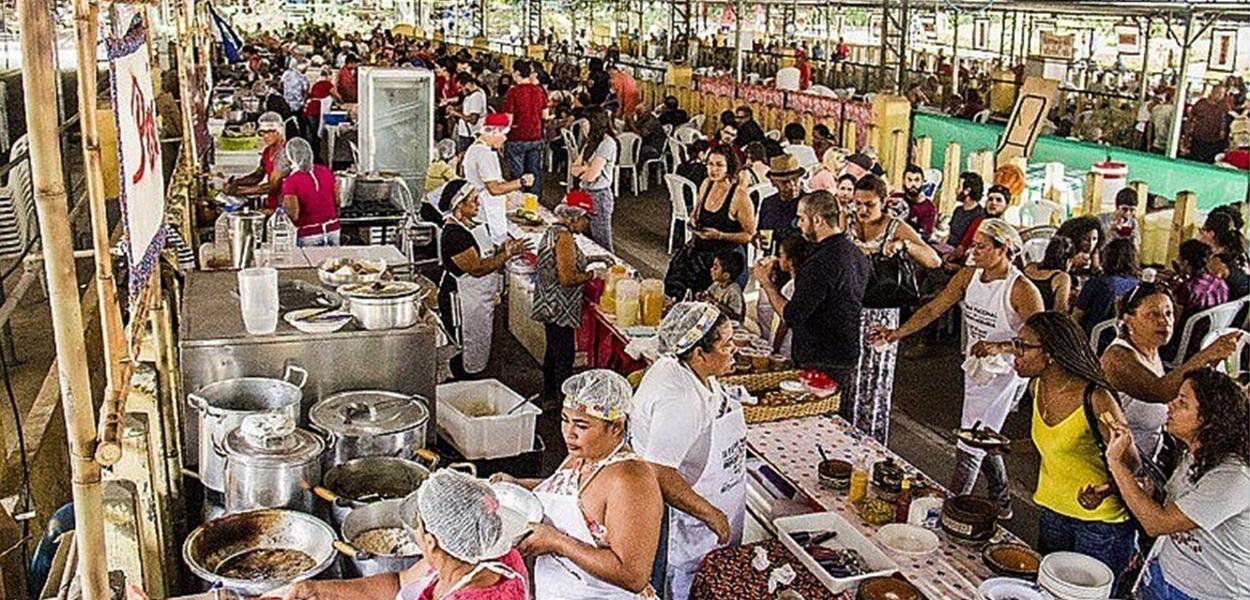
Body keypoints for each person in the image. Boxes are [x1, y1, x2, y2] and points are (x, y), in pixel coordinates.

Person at [872, 219, 1043, 518]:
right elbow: (933, 309)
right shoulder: (969, 276)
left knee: (970, 441)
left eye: (981, 246)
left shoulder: (1021, 290)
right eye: (974, 245)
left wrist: (999, 347)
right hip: (976, 368)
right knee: (984, 434)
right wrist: (895, 334)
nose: (973, 251)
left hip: (1004, 374)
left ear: (1003, 250)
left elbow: (1042, 338)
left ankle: (951, 507)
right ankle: (1002, 501)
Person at [491, 370, 662, 599]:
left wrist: (557, 542)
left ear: (616, 427)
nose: (568, 433)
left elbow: (632, 576)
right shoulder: (585, 454)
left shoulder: (631, 480)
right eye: (565, 420)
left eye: (581, 425)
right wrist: (519, 485)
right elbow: (568, 492)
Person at [1013, 311, 1137, 594]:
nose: (1015, 353)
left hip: (1099, 526)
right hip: (1052, 513)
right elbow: (1053, 444)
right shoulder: (1037, 387)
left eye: (1023, 346)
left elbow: (1133, 465)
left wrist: (1103, 491)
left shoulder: (1096, 398)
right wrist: (1003, 446)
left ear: (1051, 355)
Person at [630, 302, 745, 600]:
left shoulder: (685, 367)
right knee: (674, 585)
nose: (734, 349)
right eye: (727, 343)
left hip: (696, 488)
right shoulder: (680, 400)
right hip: (671, 517)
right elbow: (659, 472)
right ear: (698, 353)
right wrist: (711, 514)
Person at [266, 469, 529, 599]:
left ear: (430, 541)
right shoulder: (467, 552)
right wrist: (314, 590)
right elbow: (399, 583)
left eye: (417, 524)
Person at [1106, 369, 1250, 599]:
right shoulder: (1194, 454)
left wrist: (1116, 462)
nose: (1170, 405)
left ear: (1209, 419)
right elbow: (1174, 513)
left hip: (1205, 593)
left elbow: (1158, 522)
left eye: (1182, 402)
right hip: (1165, 574)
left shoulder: (1233, 478)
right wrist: (1148, 554)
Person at [1102, 282, 1242, 463]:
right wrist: (1207, 354)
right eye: (1153, 314)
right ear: (1128, 320)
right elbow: (1159, 390)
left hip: (1153, 455)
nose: (1164, 321)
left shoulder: (1150, 348)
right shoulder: (1117, 357)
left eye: (1168, 313)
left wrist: (1208, 363)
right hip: (1124, 462)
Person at [849, 174, 940, 442]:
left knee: (874, 380)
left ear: (884, 202)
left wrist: (904, 245)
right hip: (851, 309)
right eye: (858, 203)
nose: (862, 210)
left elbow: (933, 260)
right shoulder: (847, 222)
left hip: (881, 314)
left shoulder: (895, 227)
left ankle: (870, 442)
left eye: (869, 204)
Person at [755, 191, 871, 401]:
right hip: (844, 353)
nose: (798, 224)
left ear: (817, 220)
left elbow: (791, 316)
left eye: (801, 218)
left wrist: (766, 283)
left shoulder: (821, 262)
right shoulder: (857, 254)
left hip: (820, 358)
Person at [438, 184, 531, 378]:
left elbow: (486, 253)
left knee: (481, 344)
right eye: (473, 200)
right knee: (465, 348)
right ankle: (462, 387)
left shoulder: (472, 226)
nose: (478, 203)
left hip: (480, 299)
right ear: (458, 206)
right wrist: (505, 255)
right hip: (464, 301)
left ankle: (478, 380)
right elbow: (477, 268)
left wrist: (502, 249)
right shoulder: (454, 235)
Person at [532, 192, 598, 402]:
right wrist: (593, 274)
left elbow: (566, 261)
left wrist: (596, 258)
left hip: (549, 302)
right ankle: (564, 401)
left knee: (553, 350)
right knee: (563, 355)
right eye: (585, 219)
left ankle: (550, 395)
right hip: (559, 305)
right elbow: (568, 278)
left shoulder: (554, 230)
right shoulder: (565, 237)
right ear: (573, 217)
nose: (586, 224)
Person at [462, 112, 534, 245]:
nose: (505, 139)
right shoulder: (484, 154)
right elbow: (494, 189)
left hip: (484, 208)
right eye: (504, 134)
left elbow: (495, 181)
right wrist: (522, 182)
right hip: (487, 210)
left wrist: (509, 190)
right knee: (495, 245)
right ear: (494, 132)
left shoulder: (475, 149)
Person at [570, 109, 619, 252]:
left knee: (602, 242)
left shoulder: (607, 144)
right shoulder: (590, 143)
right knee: (584, 238)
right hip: (585, 193)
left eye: (585, 124)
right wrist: (586, 168)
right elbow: (573, 169)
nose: (583, 128)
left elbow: (591, 176)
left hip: (599, 196)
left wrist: (585, 169)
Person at [278, 138, 340, 246]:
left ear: (289, 158)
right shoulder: (325, 171)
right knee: (331, 262)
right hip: (333, 230)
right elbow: (337, 201)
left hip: (308, 235)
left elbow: (294, 215)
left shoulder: (291, 181)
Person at [224, 111, 289, 212]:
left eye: (269, 132)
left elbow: (273, 187)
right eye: (262, 133)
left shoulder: (285, 153)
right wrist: (237, 182)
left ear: (278, 131)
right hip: (271, 202)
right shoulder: (267, 151)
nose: (265, 136)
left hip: (284, 205)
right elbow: (258, 175)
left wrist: (242, 191)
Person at [1073, 238, 1140, 334]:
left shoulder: (1095, 284)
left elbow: (1076, 318)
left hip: (1096, 339)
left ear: (1106, 257)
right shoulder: (1138, 286)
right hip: (1128, 338)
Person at [503, 59, 548, 196]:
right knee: (534, 172)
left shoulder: (513, 92)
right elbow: (545, 115)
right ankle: (535, 202)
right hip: (536, 137)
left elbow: (508, 119)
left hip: (517, 137)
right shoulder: (540, 91)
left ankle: (519, 202)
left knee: (518, 176)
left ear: (517, 73)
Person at [1173, 239, 1229, 328]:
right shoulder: (1221, 284)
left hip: (1188, 335)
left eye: (1179, 258)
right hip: (1211, 332)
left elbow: (1175, 321)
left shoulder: (1188, 288)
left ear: (1185, 262)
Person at [756, 154, 805, 251]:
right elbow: (761, 230)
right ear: (773, 182)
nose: (792, 186)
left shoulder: (810, 203)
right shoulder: (768, 203)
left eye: (795, 180)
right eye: (785, 182)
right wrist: (757, 239)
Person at [1201, 209, 1250, 299]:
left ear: (1211, 234)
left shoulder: (1217, 262)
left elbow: (1205, 292)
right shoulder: (1242, 253)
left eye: (1203, 230)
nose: (1200, 234)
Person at [1023, 236, 1075, 312]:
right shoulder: (1062, 278)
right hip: (1041, 321)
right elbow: (1060, 311)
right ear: (1068, 260)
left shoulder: (1029, 268)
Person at [891, 164, 936, 240]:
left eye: (917, 180)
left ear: (922, 182)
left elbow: (925, 235)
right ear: (903, 181)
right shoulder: (895, 198)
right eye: (909, 180)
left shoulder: (929, 208)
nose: (913, 184)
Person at [1186, 84, 1229, 163]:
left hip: (1214, 142)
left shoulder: (1223, 106)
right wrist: (1187, 136)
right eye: (1219, 93)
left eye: (1222, 94)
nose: (1220, 96)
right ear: (1212, 92)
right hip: (1198, 140)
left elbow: (1224, 121)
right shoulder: (1201, 104)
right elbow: (1191, 118)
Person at [945, 172, 985, 250]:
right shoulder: (958, 210)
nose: (956, 190)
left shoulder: (979, 215)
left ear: (967, 190)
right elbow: (950, 234)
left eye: (959, 186)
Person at [450, 72, 488, 153]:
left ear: (468, 84)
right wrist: (454, 108)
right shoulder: (470, 95)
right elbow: (467, 107)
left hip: (470, 135)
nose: (460, 90)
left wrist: (456, 114)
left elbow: (473, 119)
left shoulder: (477, 97)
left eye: (461, 87)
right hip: (465, 133)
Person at [703, 251, 745, 322]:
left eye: (715, 268)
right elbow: (708, 295)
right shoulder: (715, 285)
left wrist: (715, 304)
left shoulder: (733, 291)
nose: (711, 269)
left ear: (726, 275)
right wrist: (703, 296)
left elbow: (736, 316)